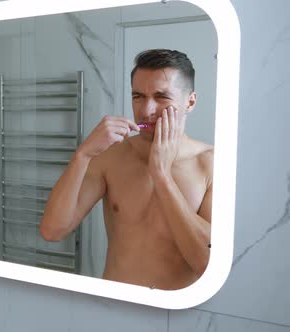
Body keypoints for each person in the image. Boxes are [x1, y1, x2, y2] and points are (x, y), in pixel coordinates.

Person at [40, 49, 213, 290]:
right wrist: (83, 155)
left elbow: (207, 264)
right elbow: (52, 231)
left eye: (162, 97)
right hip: (113, 311)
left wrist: (161, 174)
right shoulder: (111, 157)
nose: (147, 110)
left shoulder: (210, 164)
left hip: (175, 319)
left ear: (190, 102)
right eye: (138, 96)